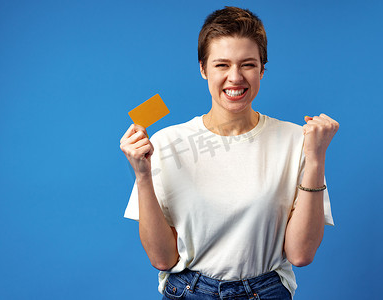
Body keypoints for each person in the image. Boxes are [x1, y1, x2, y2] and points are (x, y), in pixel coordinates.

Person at [120, 6, 339, 300]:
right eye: (222, 65)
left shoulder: (296, 140)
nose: (235, 77)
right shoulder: (167, 142)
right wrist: (143, 176)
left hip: (266, 291)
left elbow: (301, 254)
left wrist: (316, 158)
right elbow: (162, 260)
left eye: (247, 64)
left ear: (262, 68)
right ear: (203, 68)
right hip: (187, 292)